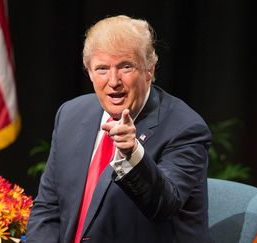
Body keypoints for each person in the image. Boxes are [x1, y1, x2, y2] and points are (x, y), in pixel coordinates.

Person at [26, 15, 213, 243]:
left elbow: (164, 206)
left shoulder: (185, 128)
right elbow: (48, 206)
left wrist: (132, 154)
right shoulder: (71, 115)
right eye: (102, 69)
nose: (113, 81)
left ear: (149, 70)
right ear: (90, 73)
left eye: (126, 66)